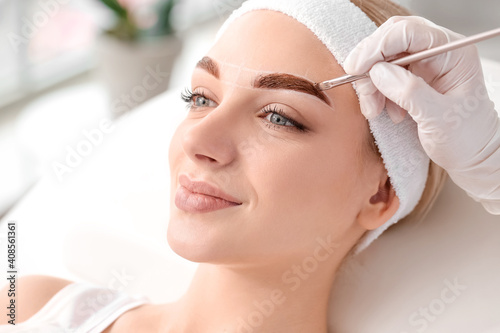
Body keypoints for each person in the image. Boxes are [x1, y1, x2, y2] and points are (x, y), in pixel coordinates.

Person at [1, 0, 498, 332]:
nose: (198, 138)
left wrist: (492, 171)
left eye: (279, 116)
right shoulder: (33, 303)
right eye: (200, 97)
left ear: (379, 194)